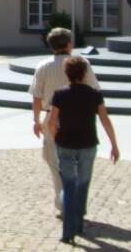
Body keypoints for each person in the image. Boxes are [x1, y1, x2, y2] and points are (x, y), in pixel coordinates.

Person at [46, 54, 120, 243]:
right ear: (85, 73)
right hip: (88, 144)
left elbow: (52, 120)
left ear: (66, 73)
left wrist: (55, 137)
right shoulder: (94, 94)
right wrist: (114, 144)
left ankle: (68, 231)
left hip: (65, 144)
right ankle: (78, 223)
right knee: (82, 185)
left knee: (68, 185)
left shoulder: (60, 94)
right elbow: (105, 119)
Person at [30, 26, 100, 215]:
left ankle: (64, 205)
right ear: (69, 44)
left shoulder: (43, 66)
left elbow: (36, 97)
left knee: (56, 164)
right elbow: (94, 90)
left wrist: (36, 120)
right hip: (80, 118)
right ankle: (75, 204)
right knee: (80, 163)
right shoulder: (81, 63)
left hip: (51, 117)